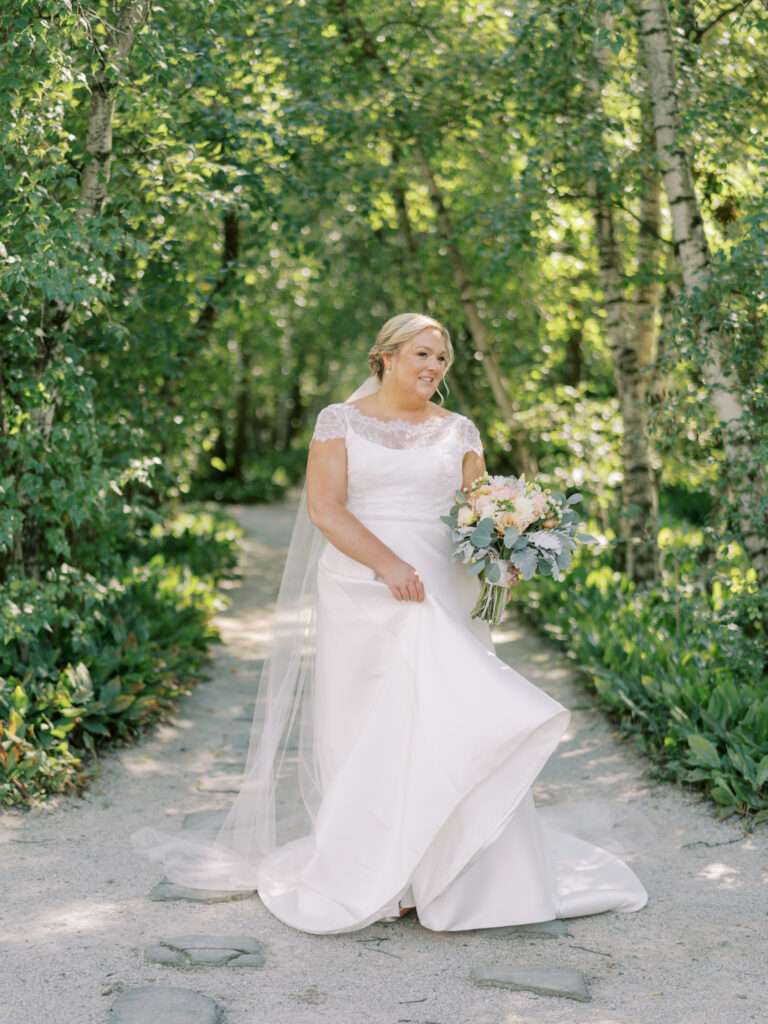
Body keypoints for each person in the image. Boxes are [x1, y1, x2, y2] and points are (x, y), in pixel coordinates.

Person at [131, 312, 648, 935]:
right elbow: (325, 509)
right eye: (423, 355)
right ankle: (379, 875)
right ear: (386, 356)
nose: (433, 368)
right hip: (362, 583)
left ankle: (450, 871)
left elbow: (476, 512)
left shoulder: (460, 430)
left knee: (445, 714)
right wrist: (387, 565)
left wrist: (504, 558)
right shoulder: (339, 421)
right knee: (367, 721)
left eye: (442, 360)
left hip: (441, 588)